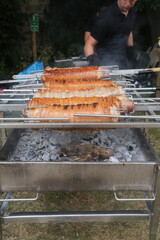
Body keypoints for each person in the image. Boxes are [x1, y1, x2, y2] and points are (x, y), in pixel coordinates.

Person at [84, 0, 138, 69]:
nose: (127, 4)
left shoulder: (132, 12)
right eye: (125, 0)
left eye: (131, 1)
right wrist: (93, 62)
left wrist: (131, 54)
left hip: (121, 63)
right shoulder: (106, 18)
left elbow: (128, 29)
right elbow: (88, 44)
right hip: (104, 63)